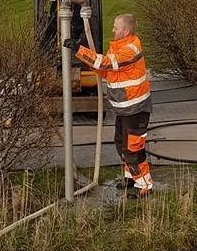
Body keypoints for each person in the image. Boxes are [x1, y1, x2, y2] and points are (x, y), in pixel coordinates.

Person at [65, 13, 153, 197]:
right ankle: (131, 178)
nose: (113, 30)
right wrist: (85, 57)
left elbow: (104, 63)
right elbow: (107, 70)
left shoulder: (130, 49)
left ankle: (144, 185)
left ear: (126, 30)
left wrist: (79, 50)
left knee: (133, 148)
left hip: (136, 108)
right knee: (122, 143)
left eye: (116, 27)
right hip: (125, 108)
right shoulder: (118, 48)